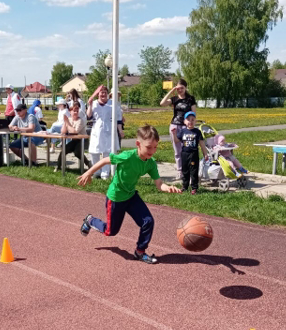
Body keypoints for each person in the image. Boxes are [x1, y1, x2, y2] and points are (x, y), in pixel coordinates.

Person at [79, 124, 182, 264]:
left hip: (131, 196)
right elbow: (105, 160)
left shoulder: (150, 163)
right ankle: (90, 220)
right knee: (110, 232)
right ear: (138, 144)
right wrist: (88, 173)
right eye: (149, 147)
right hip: (116, 198)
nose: (153, 151)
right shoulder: (127, 156)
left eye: (155, 147)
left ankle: (140, 252)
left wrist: (168, 187)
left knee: (148, 221)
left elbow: (159, 184)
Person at [160, 79, 197, 180]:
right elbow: (162, 103)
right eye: (178, 88)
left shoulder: (190, 99)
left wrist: (192, 125)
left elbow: (194, 114)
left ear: (185, 88)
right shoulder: (174, 99)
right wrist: (170, 92)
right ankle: (179, 171)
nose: (180, 90)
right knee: (177, 150)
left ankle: (188, 170)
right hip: (175, 126)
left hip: (186, 126)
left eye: (182, 88)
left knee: (187, 149)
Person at [172, 111, 208, 194]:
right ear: (184, 121)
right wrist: (174, 134)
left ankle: (194, 188)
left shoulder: (197, 132)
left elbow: (202, 144)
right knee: (185, 170)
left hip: (193, 154)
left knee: (193, 171)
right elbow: (176, 141)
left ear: (195, 121)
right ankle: (184, 186)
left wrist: (205, 154)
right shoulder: (183, 131)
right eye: (188, 119)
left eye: (192, 120)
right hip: (184, 154)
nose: (190, 121)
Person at [87, 85, 115, 180]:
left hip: (108, 129)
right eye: (101, 92)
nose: (103, 94)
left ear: (107, 94)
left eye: (105, 92)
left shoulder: (112, 104)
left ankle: (105, 173)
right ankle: (96, 171)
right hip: (97, 130)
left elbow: (118, 117)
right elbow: (89, 116)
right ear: (98, 94)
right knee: (94, 152)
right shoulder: (94, 103)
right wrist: (90, 105)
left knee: (107, 152)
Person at [55, 101, 91, 173]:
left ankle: (88, 164)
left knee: (77, 152)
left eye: (77, 111)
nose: (75, 113)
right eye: (74, 111)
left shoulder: (80, 121)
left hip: (82, 140)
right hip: (74, 140)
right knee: (63, 151)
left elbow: (75, 132)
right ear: (70, 112)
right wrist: (65, 122)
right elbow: (63, 131)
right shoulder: (69, 119)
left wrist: (67, 123)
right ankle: (58, 167)